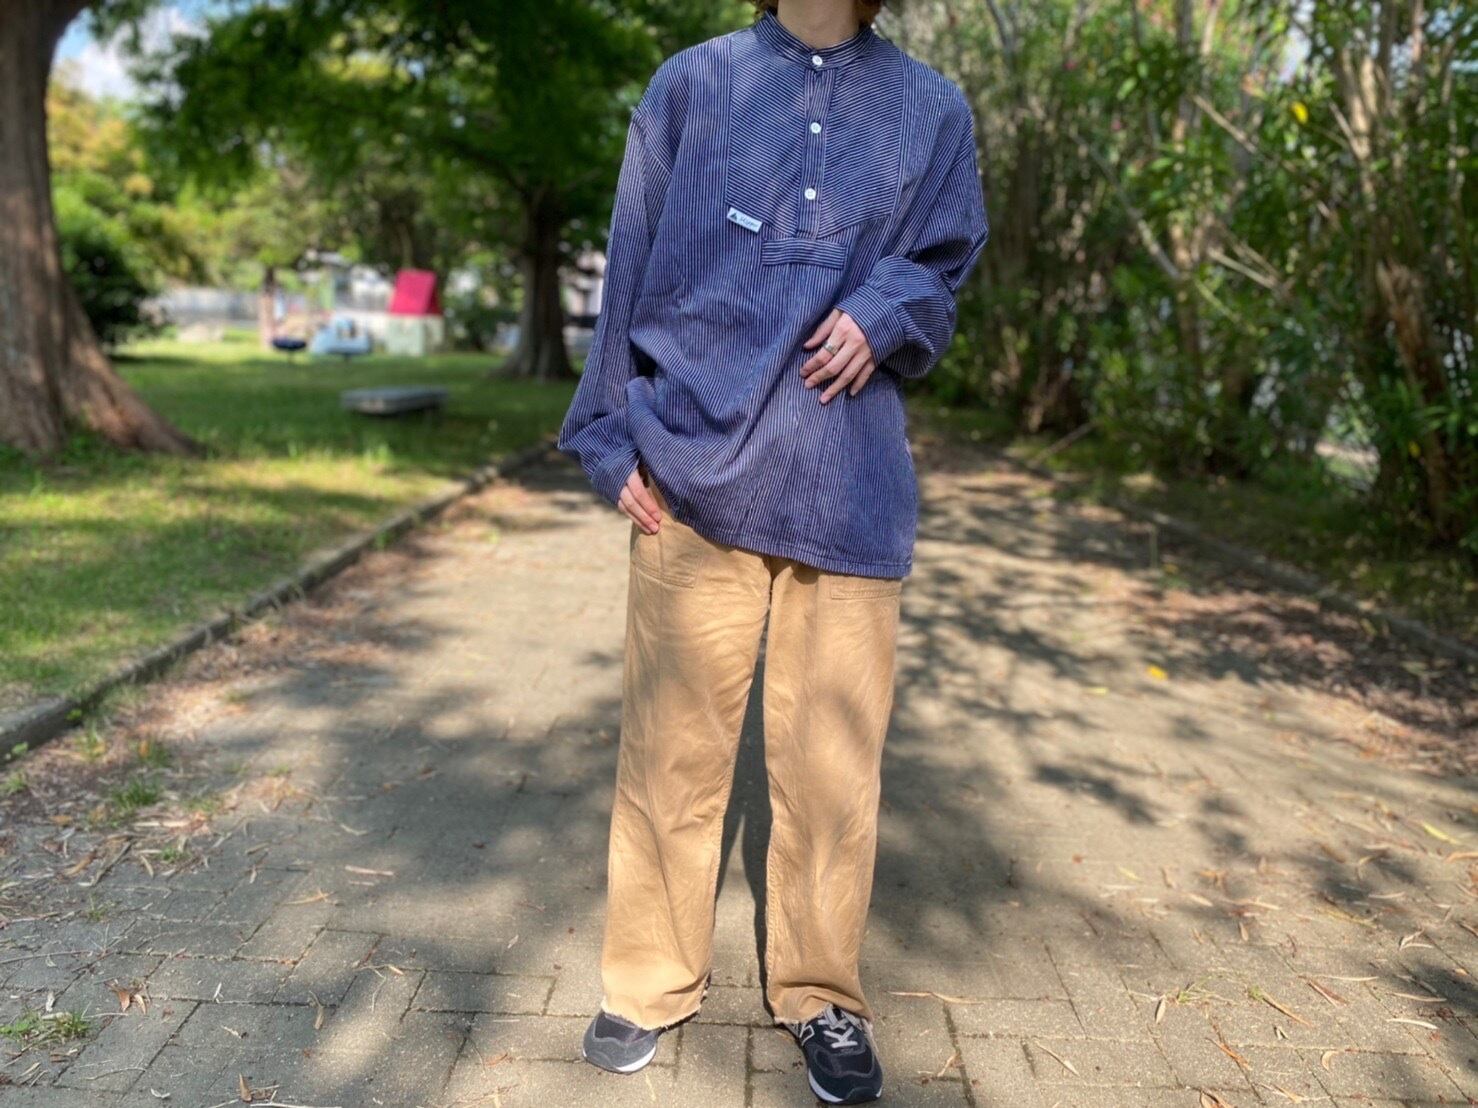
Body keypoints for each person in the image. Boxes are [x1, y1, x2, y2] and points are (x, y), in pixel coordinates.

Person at [556, 0, 989, 1102]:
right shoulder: (692, 84)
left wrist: (885, 308)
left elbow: (943, 264)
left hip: (849, 485)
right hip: (691, 478)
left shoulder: (931, 107)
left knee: (832, 769)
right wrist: (606, 434)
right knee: (669, 753)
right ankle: (647, 979)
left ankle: (819, 990)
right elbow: (628, 260)